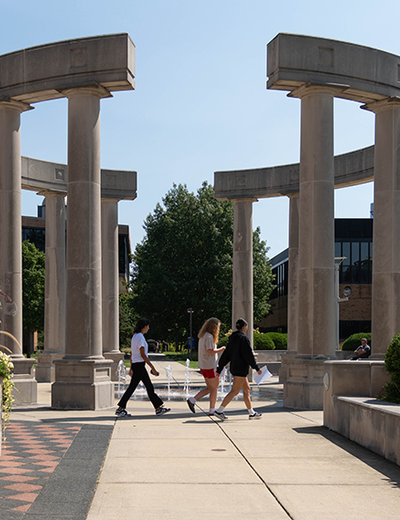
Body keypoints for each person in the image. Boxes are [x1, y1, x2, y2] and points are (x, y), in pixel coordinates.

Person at [115, 318, 170, 417]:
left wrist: (131, 367)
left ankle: (158, 408)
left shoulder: (135, 336)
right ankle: (120, 408)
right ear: (144, 326)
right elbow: (142, 354)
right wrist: (152, 368)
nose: (148, 328)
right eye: (148, 326)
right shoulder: (140, 337)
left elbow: (132, 353)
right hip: (139, 365)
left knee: (149, 387)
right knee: (132, 388)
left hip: (137, 365)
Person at [214, 318, 262, 420]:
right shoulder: (243, 339)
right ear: (245, 327)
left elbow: (226, 355)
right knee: (235, 391)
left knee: (247, 390)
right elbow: (248, 355)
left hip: (236, 367)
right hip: (240, 369)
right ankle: (219, 411)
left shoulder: (233, 339)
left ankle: (251, 412)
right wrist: (256, 368)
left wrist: (219, 368)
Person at [186, 317, 226, 416]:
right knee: (214, 388)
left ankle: (192, 400)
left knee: (209, 388)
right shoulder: (209, 337)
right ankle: (212, 410)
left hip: (203, 366)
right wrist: (221, 349)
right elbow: (210, 351)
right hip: (210, 366)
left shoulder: (202, 336)